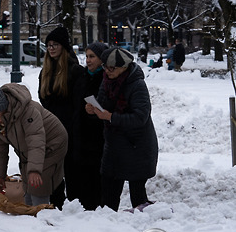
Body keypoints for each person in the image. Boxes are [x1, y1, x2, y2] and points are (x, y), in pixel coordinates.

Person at [85, 47, 158, 212]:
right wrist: (93, 110)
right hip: (114, 146)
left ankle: (140, 230)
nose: (108, 71)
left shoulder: (137, 84)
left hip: (137, 146)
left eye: (113, 68)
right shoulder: (107, 81)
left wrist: (110, 117)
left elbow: (140, 117)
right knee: (108, 197)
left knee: (138, 198)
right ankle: (108, 226)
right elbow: (103, 105)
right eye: (105, 67)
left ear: (125, 67)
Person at [0, 80, 67, 207]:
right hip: (30, 150)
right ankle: (32, 212)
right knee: (27, 180)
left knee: (37, 182)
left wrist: (35, 170)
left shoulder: (27, 111)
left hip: (53, 143)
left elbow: (36, 140)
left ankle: (43, 214)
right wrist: (0, 176)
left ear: (5, 108)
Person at [38, 26, 84, 208]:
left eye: (55, 44)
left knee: (71, 170)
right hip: (50, 128)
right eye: (48, 45)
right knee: (53, 169)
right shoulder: (45, 72)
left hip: (70, 129)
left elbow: (78, 104)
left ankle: (74, 205)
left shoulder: (75, 71)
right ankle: (55, 203)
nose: (51, 48)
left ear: (63, 46)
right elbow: (43, 98)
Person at [77, 41, 109, 210]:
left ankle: (96, 204)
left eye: (92, 57)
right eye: (87, 56)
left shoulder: (105, 78)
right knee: (84, 172)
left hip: (99, 134)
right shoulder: (83, 76)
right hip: (83, 133)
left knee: (97, 173)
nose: (88, 60)